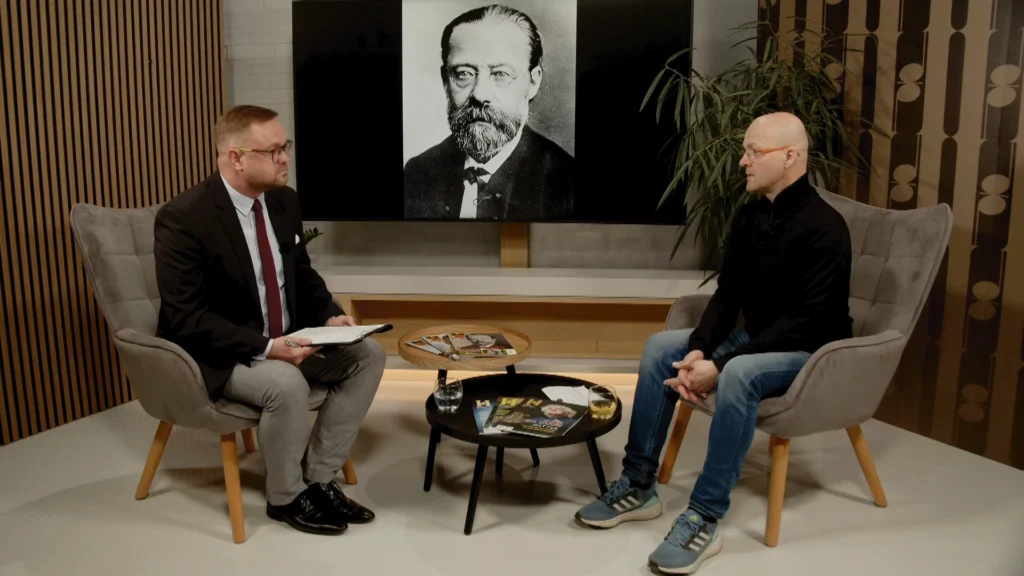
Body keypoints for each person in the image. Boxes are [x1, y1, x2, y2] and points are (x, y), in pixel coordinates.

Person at [574, 112, 853, 574]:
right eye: (745, 151)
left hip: (812, 350)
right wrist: (701, 349)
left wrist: (724, 365)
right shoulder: (749, 215)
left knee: (740, 373)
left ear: (790, 157)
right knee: (660, 348)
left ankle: (704, 516)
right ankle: (638, 484)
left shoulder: (827, 227)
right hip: (758, 337)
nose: (743, 161)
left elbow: (808, 319)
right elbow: (729, 293)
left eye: (754, 152)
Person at [154, 105, 386, 537]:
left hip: (287, 339)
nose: (285, 158)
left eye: (286, 147)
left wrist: (331, 315)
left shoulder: (283, 201)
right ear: (236, 158)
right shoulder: (185, 218)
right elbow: (186, 318)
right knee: (286, 383)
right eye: (273, 150)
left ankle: (319, 478)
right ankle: (285, 497)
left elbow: (301, 274)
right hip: (223, 353)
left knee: (369, 355)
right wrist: (268, 348)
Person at [403, 4, 574, 220]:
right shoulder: (417, 174)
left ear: (533, 81)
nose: (480, 94)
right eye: (464, 73)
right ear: (445, 81)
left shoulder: (567, 184)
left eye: (501, 74)